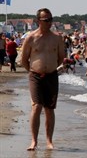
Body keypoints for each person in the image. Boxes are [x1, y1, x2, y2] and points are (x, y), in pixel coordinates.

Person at [21, 8, 65, 151]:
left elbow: (61, 58)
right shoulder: (31, 38)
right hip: (35, 76)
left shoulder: (57, 38)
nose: (49, 22)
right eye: (46, 20)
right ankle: (34, 141)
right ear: (38, 21)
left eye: (51, 19)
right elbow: (24, 60)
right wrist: (34, 71)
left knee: (49, 109)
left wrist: (51, 68)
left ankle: (49, 141)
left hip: (51, 75)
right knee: (36, 106)